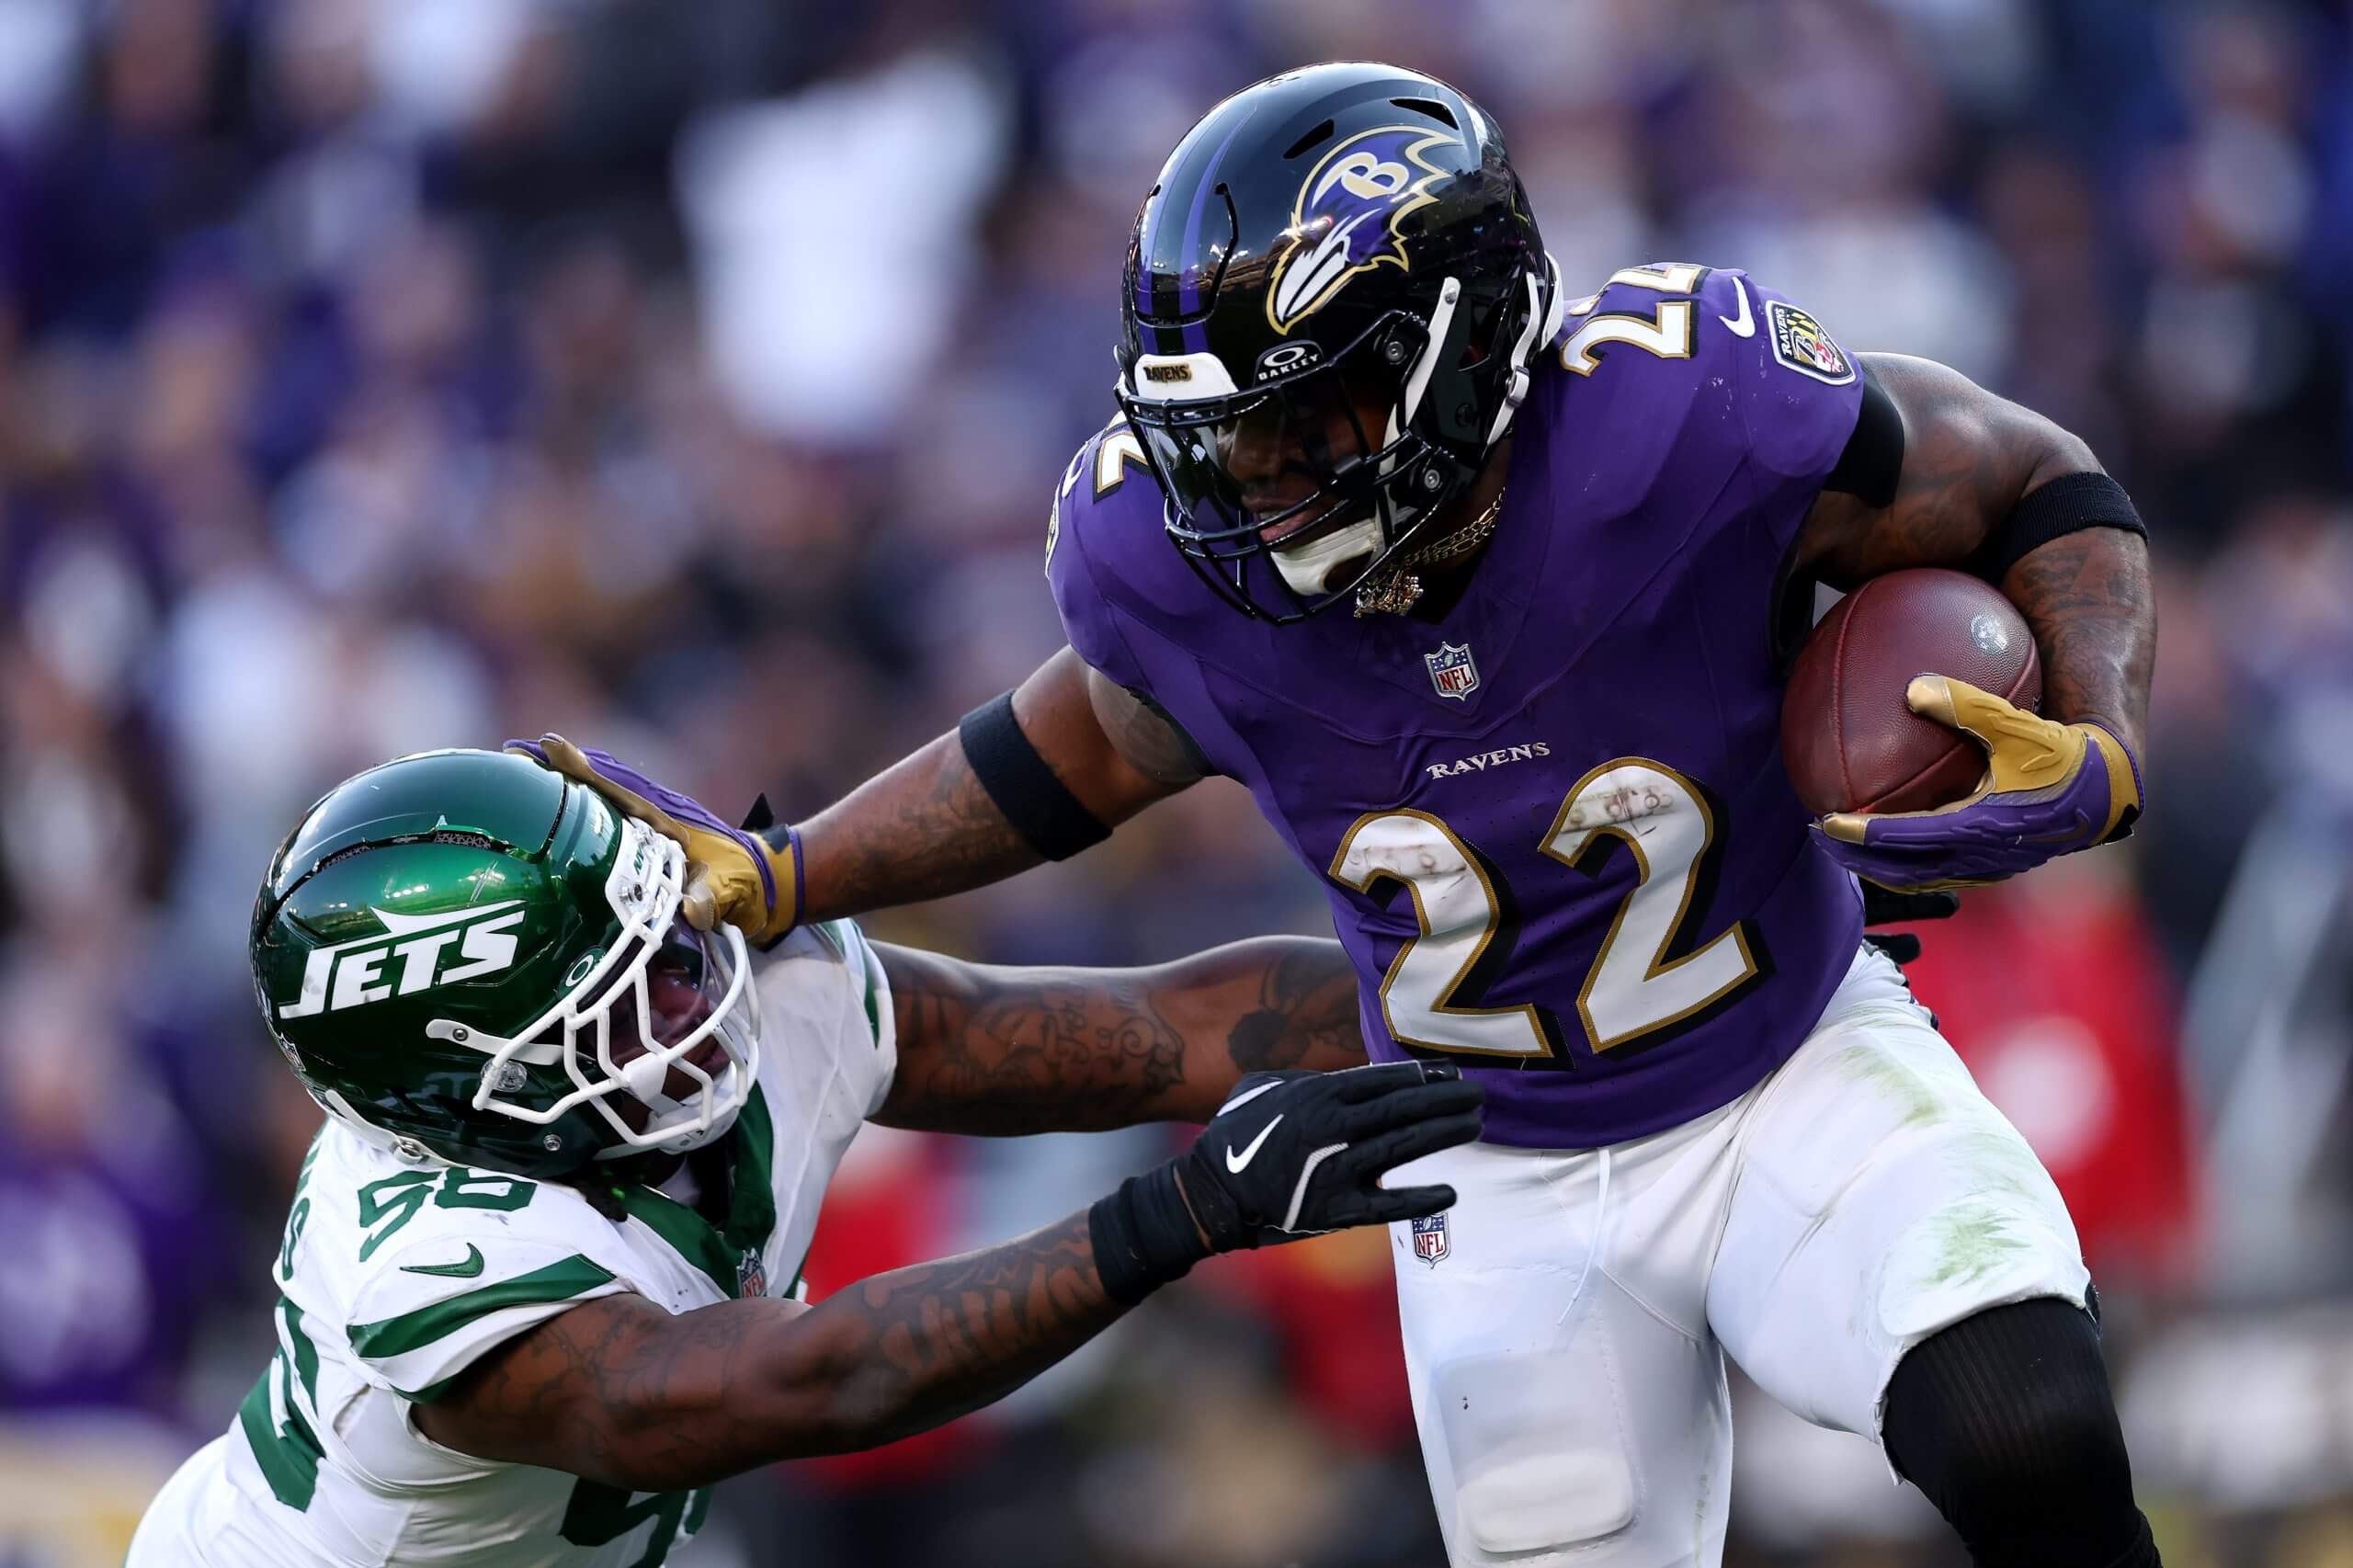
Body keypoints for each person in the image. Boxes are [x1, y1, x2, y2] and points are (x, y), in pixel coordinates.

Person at [540, 62, 2161, 1568]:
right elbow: (1060, 763)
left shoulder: (1683, 419)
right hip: (1494, 1170)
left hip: (1791, 1056)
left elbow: (2032, 481)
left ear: (1458, 347)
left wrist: (2102, 733)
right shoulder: (1174, 571)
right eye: (1216, 440)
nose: (1248, 484)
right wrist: (788, 867)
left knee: (2028, 1421)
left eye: (1296, 423)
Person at [126, 746, 1482, 1566]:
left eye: (663, 944)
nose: (693, 997)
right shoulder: (424, 1253)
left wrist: (1494, 988)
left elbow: (1163, 1029)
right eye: (622, 993)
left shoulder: (752, 998)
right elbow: (812, 1377)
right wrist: (1183, 1211)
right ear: (466, 1078)